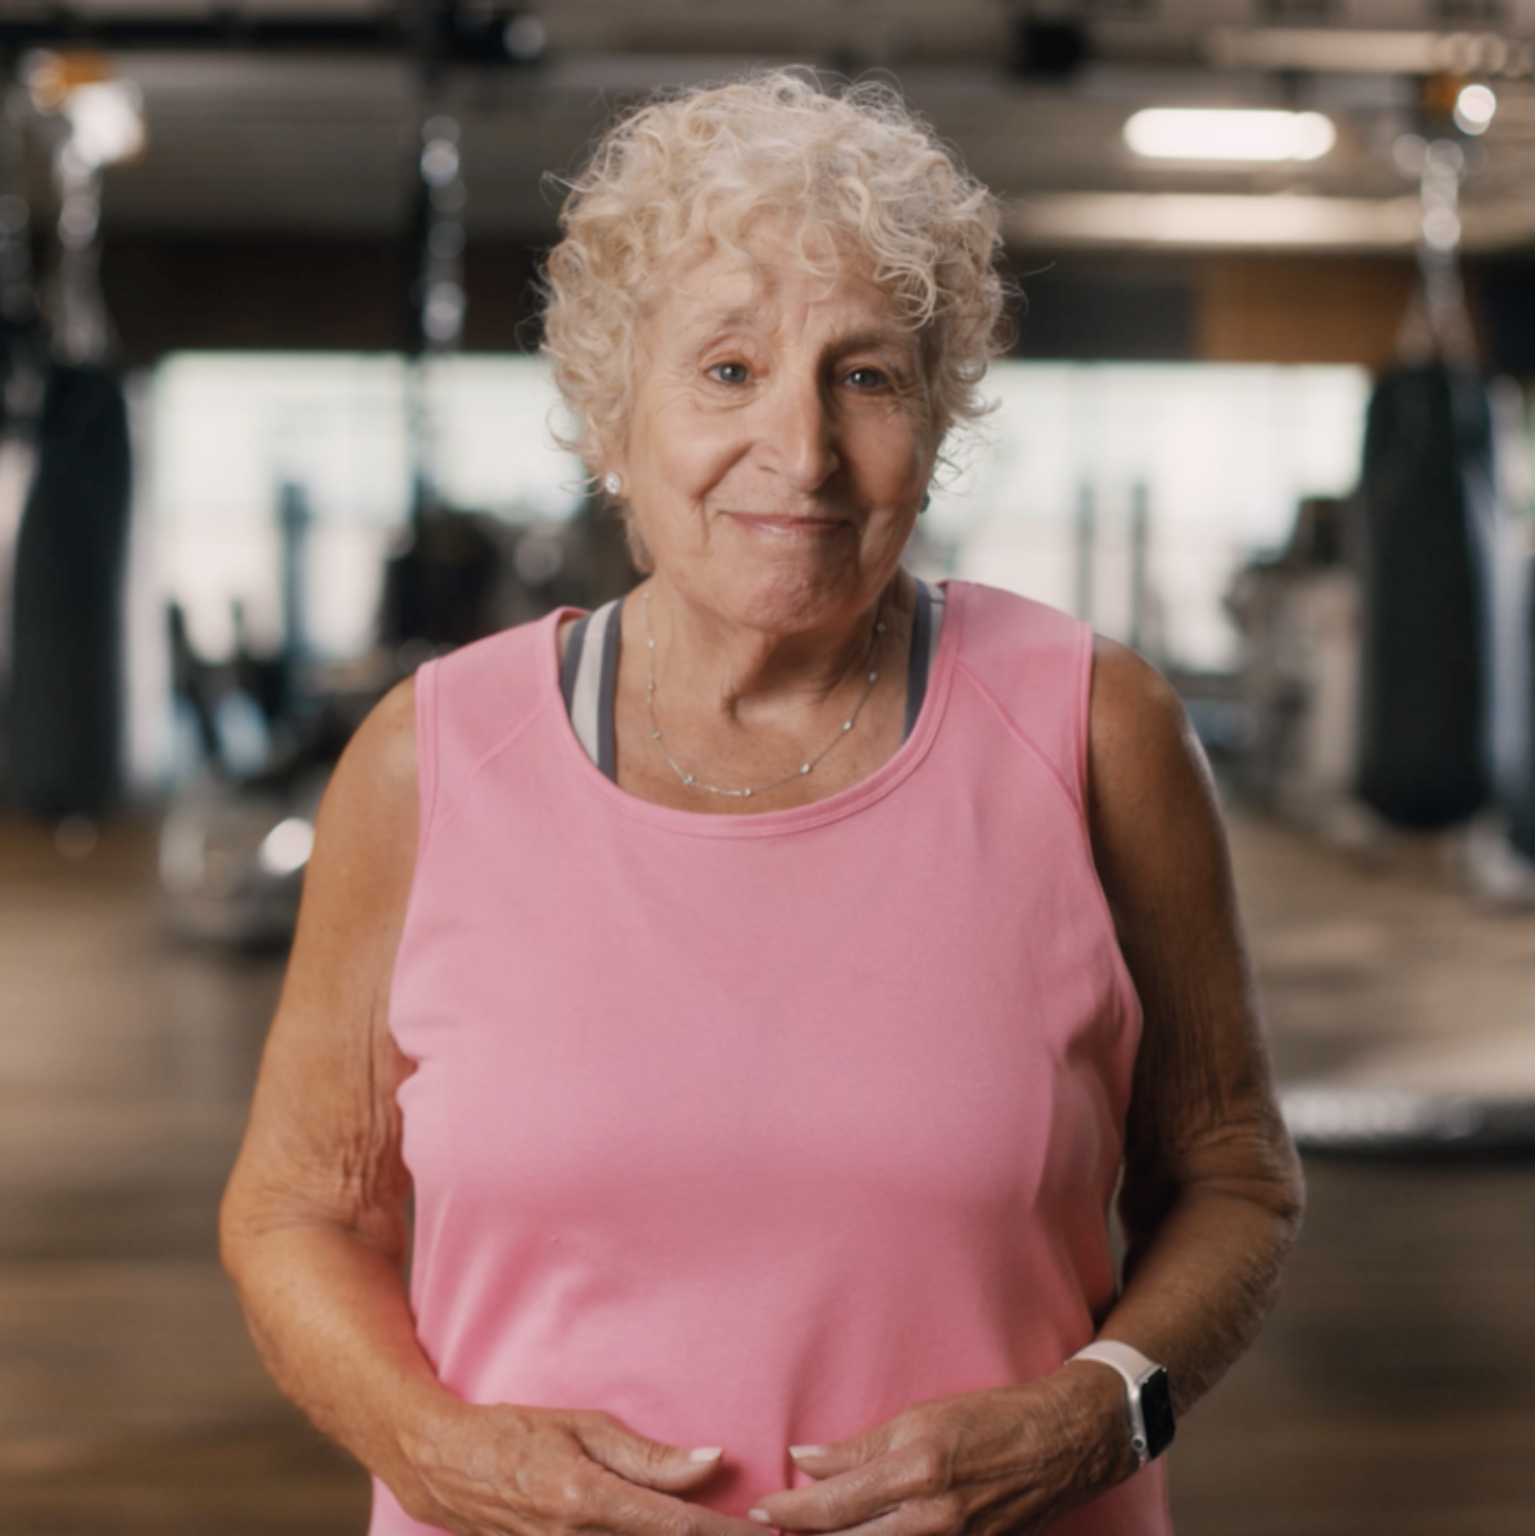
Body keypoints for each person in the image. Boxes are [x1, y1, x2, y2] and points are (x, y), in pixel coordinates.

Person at [219, 67, 1305, 1536]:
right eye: (728, 371)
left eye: (865, 377)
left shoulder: (1095, 728)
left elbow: (1235, 1176)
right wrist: (438, 1453)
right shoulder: (431, 759)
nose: (800, 453)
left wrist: (1093, 1415)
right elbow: (297, 1213)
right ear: (613, 418)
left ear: (936, 421)